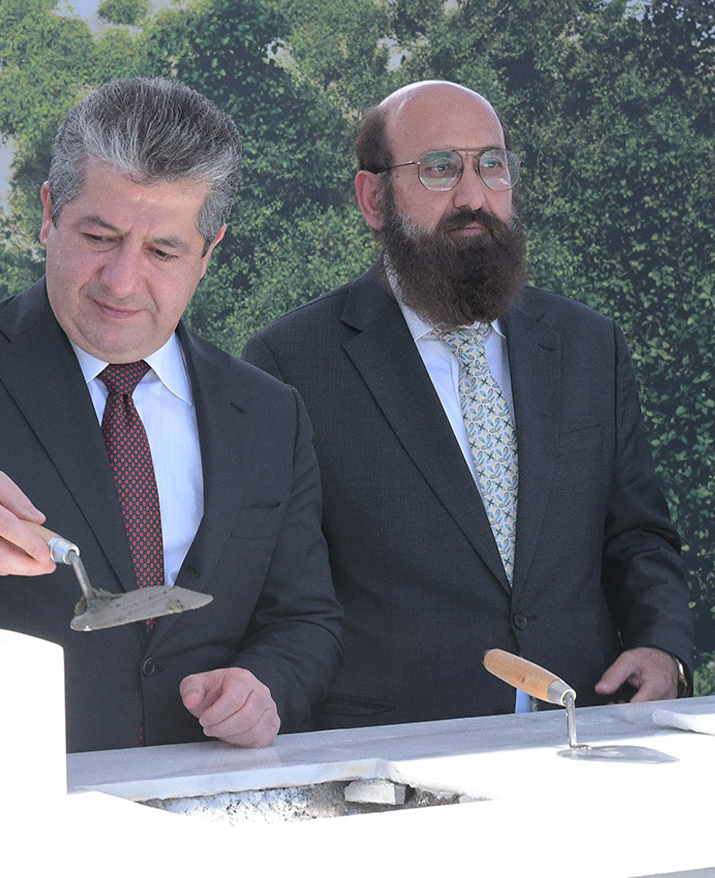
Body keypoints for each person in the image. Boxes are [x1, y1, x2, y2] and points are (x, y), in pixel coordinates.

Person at [0, 78, 342, 753]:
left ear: (210, 251)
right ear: (49, 213)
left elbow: (305, 618)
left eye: (163, 251)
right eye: (99, 236)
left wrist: (265, 685)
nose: (123, 281)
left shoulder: (272, 415)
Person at [243, 80, 694, 729]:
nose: (473, 196)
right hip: (398, 752)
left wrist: (662, 645)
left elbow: (639, 536)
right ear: (373, 198)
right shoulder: (292, 363)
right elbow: (286, 597)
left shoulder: (590, 345)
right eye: (439, 168)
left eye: (492, 164)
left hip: (585, 731)